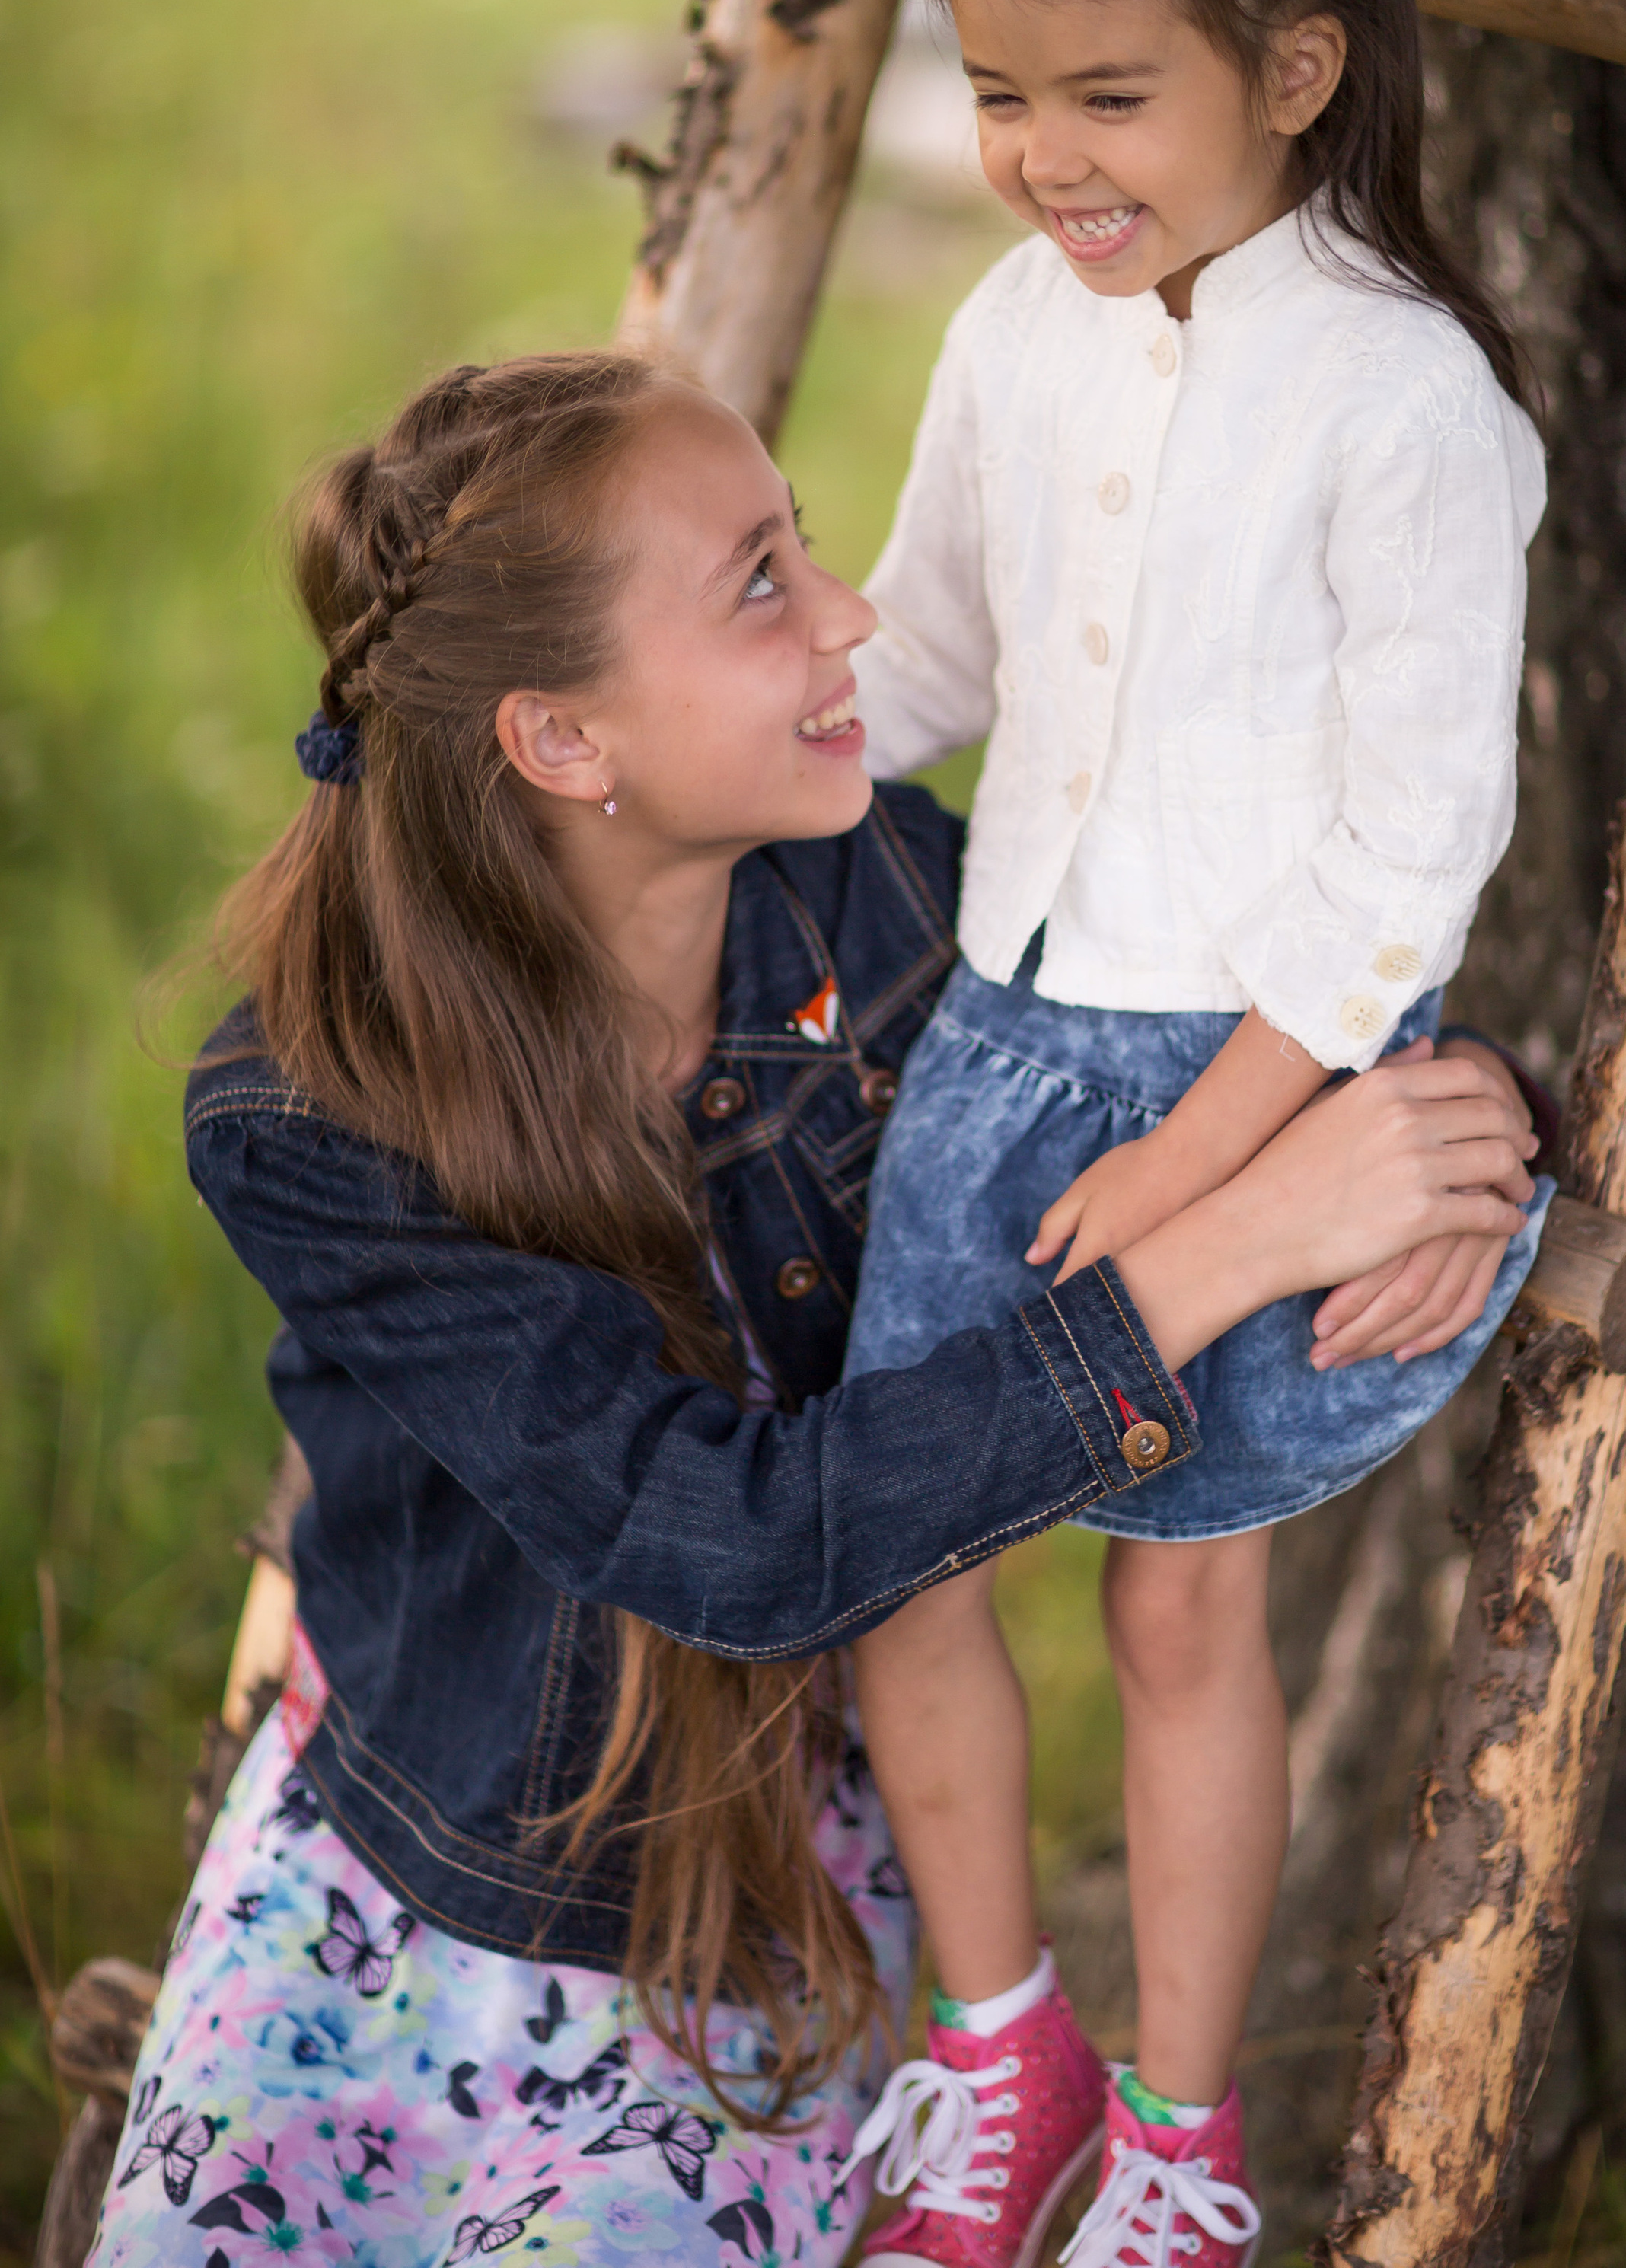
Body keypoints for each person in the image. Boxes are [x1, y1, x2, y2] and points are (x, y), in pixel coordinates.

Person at [93, 350, 1542, 2268]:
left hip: (756, 1907)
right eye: (762, 580)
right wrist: (1240, 1240)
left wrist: (1446, 1112)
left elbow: (1178, 1027)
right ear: (558, 743)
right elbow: (730, 1534)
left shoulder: (877, 905)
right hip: (423, 1877)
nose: (852, 609)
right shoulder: (306, 1117)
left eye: (803, 545)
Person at [840, 0, 1554, 2268]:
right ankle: (998, 2048)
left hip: (1260, 1066)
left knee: (1175, 1591)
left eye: (1107, 94)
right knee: (905, 1557)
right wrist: (704, 702)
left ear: (1294, 72)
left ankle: (1174, 2141)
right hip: (1005, 1048)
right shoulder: (1017, 334)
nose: (1044, 152)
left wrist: (1219, 1150)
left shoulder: (1403, 406)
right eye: (1005, 92)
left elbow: (1408, 849)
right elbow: (924, 649)